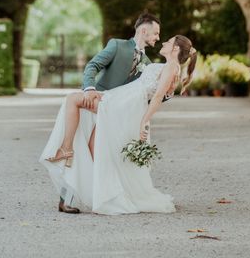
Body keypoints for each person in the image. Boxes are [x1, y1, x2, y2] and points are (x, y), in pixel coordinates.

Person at [40, 34, 197, 215]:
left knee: (74, 100)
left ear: (176, 49)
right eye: (157, 34)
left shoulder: (171, 67)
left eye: (168, 42)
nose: (162, 41)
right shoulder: (166, 66)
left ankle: (67, 151)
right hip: (119, 98)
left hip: (124, 106)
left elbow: (157, 97)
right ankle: (99, 190)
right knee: (93, 147)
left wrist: (144, 122)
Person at [43, 12, 161, 213]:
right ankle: (66, 197)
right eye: (156, 33)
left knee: (97, 151)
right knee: (81, 141)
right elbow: (93, 66)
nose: (158, 37)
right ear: (144, 30)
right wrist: (89, 89)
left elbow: (149, 93)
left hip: (118, 112)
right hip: (97, 101)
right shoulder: (117, 45)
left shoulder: (148, 64)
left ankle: (105, 195)